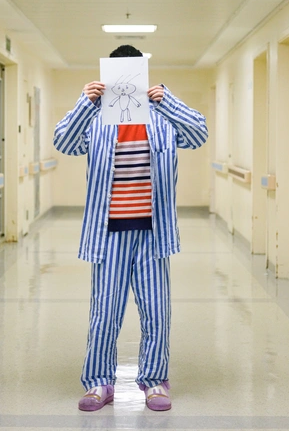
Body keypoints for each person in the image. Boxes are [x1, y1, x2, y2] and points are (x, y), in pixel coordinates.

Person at [53, 45, 208, 411]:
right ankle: (98, 383)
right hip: (109, 234)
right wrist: (85, 103)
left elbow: (198, 134)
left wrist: (168, 100)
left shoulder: (161, 117)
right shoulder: (97, 119)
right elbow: (64, 142)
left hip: (153, 233)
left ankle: (155, 382)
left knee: (156, 311)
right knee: (104, 313)